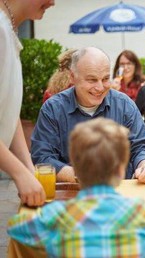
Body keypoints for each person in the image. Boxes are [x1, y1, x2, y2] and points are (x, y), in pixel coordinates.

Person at [8, 117, 145, 257]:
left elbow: (15, 227)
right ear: (121, 169)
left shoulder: (56, 216)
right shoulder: (139, 213)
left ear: (75, 166)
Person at [31, 47, 145, 184]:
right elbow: (42, 157)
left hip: (120, 191)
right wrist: (83, 176)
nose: (100, 87)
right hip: (72, 192)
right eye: (92, 80)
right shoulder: (53, 109)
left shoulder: (124, 104)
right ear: (72, 77)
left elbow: (142, 146)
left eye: (105, 79)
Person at [0, 0, 55, 206]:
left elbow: (7, 112)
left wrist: (27, 166)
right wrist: (19, 172)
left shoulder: (7, 29)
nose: (53, 3)